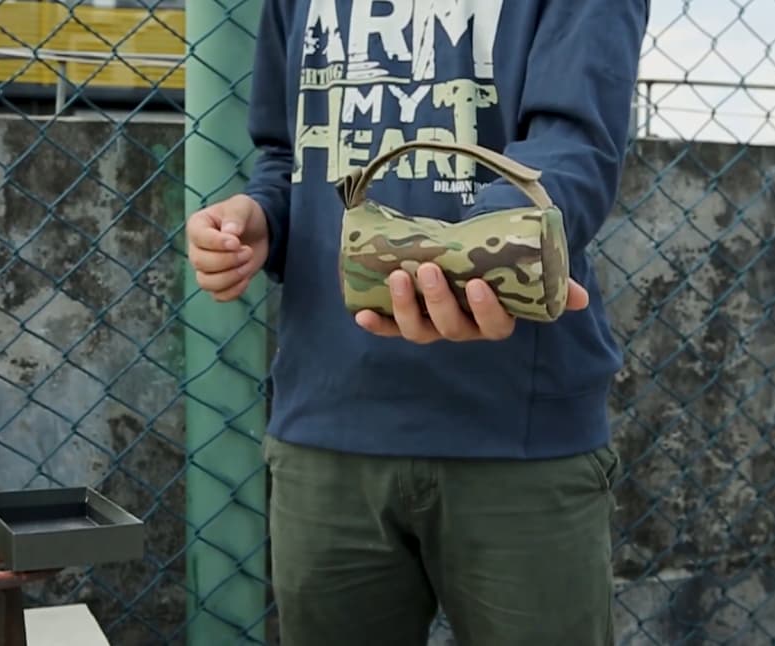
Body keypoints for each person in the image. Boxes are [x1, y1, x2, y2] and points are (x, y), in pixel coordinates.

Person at [186, 1, 649, 644]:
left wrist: (469, 261)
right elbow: (290, 155)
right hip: (327, 425)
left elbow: (573, 149)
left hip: (518, 435)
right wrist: (261, 217)